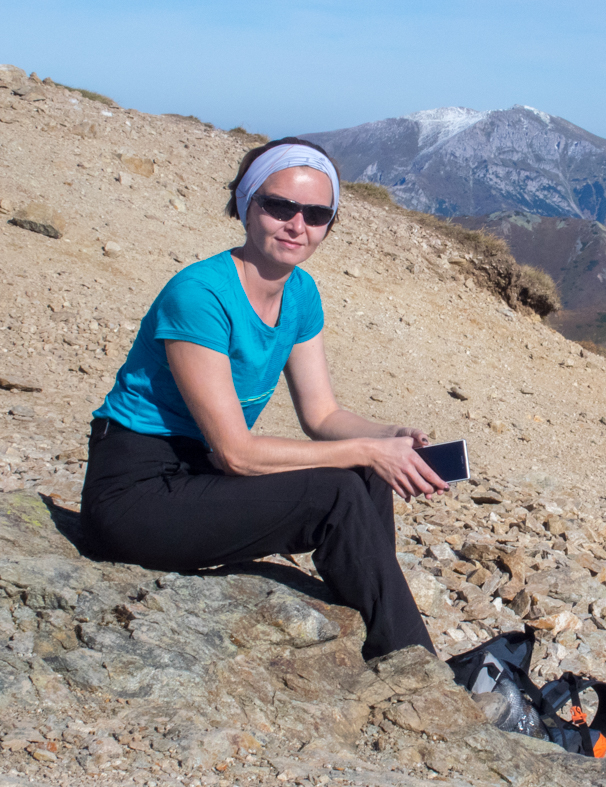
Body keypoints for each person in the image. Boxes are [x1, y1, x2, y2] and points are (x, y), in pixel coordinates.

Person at [80, 137, 448, 661]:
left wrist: (386, 437)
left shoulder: (300, 293)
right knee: (339, 491)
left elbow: (322, 416)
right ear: (247, 205)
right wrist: (366, 450)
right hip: (136, 495)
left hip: (200, 475)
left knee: (367, 471)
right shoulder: (200, 293)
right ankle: (413, 662)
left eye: (317, 214)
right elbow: (237, 453)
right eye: (280, 206)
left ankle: (372, 624)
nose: (298, 225)